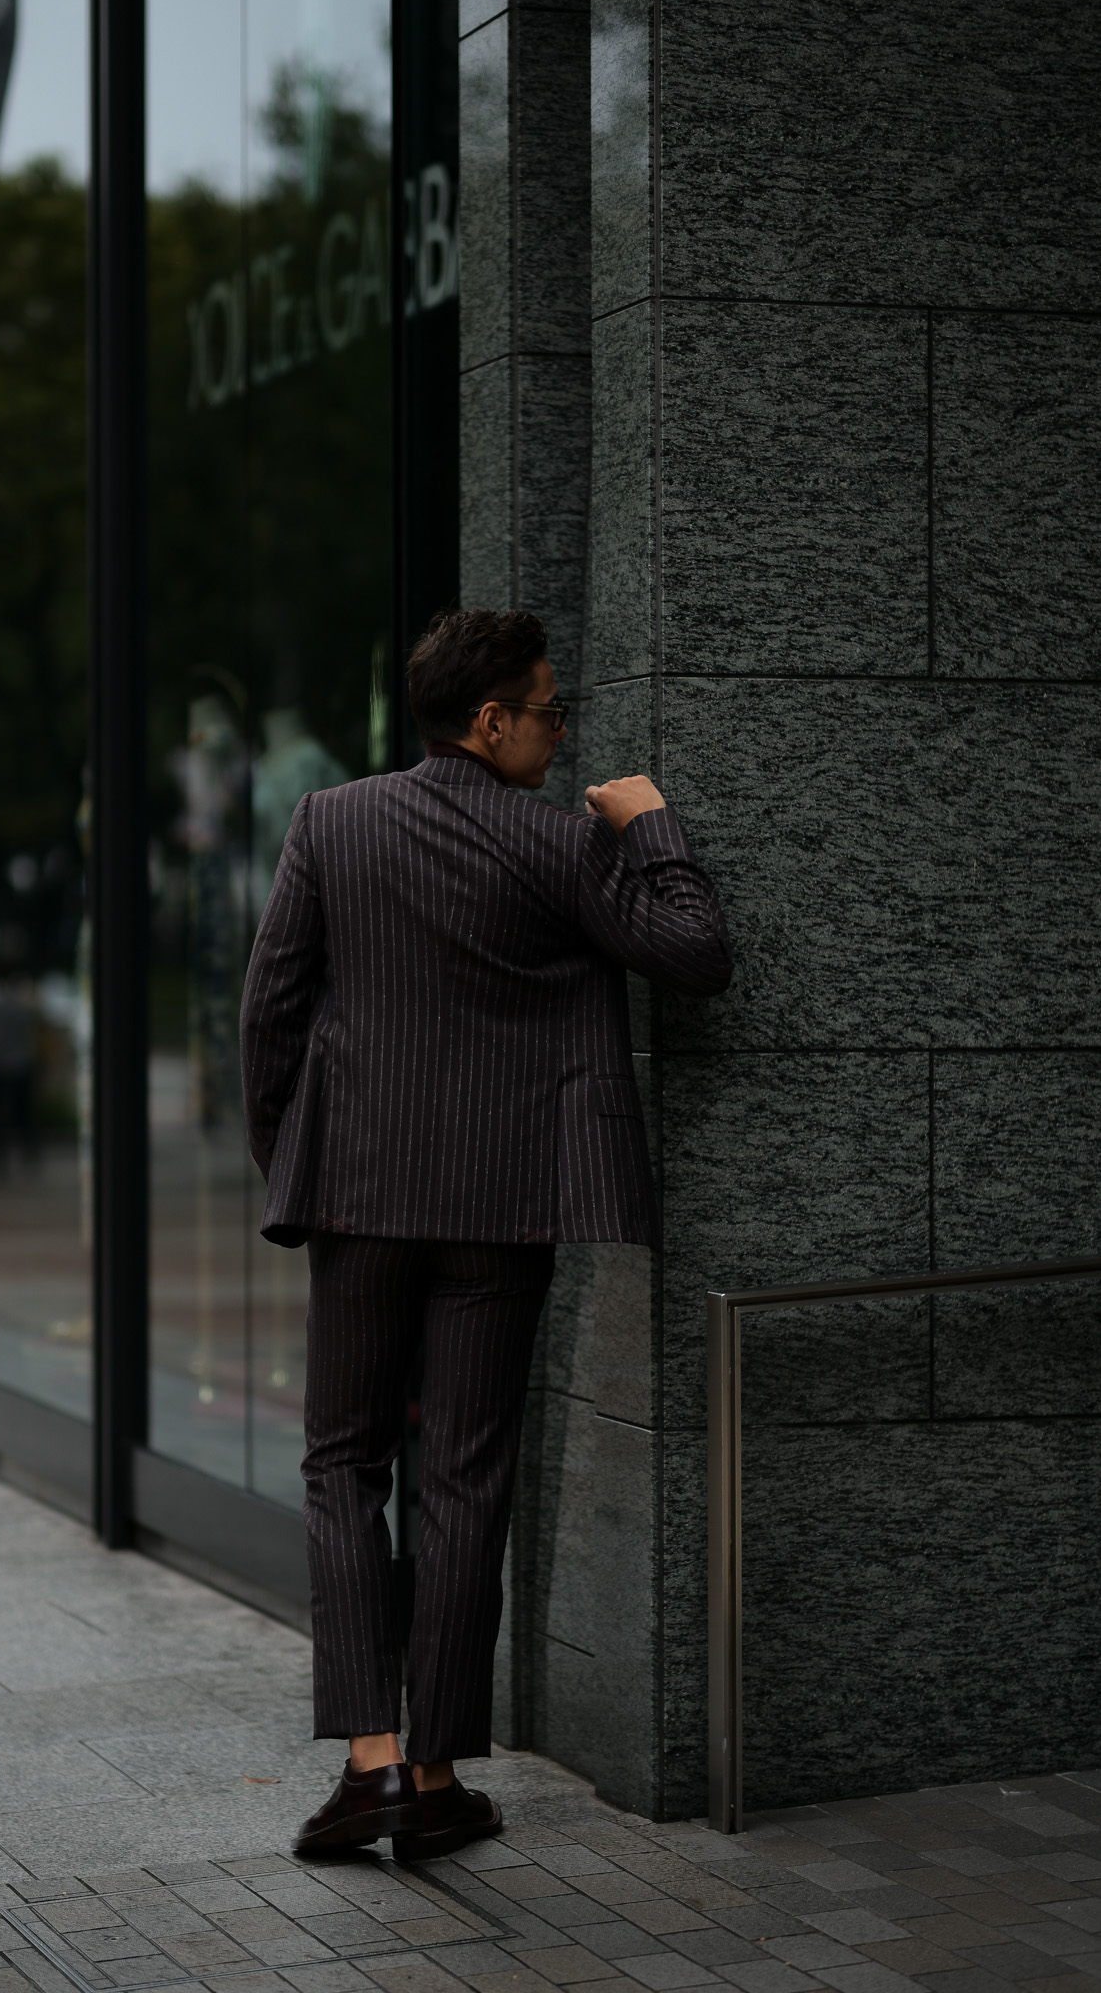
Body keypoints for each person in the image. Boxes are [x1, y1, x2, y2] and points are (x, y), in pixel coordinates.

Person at [240, 608, 732, 1860]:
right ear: (490, 719)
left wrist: (290, 1156)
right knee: (465, 1479)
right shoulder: (563, 845)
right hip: (501, 1212)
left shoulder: (330, 823)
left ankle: (369, 1766)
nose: (563, 737)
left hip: (357, 1198)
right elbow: (697, 952)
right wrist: (652, 823)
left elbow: (271, 1009)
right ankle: (438, 1772)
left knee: (340, 1462)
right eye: (551, 712)